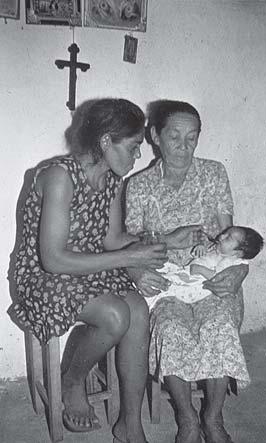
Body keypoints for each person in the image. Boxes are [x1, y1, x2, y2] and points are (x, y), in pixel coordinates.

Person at [7, 98, 201, 443]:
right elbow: (53, 259)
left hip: (89, 269)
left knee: (138, 309)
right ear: (105, 141)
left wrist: (165, 241)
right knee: (114, 315)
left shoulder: (111, 180)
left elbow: (112, 240)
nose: (138, 155)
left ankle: (130, 425)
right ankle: (72, 379)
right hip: (42, 276)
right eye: (134, 146)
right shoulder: (59, 177)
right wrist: (131, 259)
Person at [125, 100, 250, 443]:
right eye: (175, 136)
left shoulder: (214, 174)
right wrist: (143, 269)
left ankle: (213, 416)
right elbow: (131, 247)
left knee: (219, 325)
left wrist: (240, 272)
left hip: (212, 276)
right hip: (165, 281)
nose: (184, 146)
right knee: (171, 327)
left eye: (192, 138)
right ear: (155, 136)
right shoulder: (139, 186)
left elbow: (233, 235)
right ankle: (186, 416)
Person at [143, 225, 264, 309]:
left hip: (199, 283)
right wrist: (200, 248)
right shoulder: (219, 249)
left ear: (237, 253)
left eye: (228, 238)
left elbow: (218, 278)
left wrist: (200, 269)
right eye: (224, 233)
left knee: (172, 285)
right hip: (188, 271)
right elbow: (205, 256)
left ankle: (153, 296)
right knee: (167, 269)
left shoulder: (229, 261)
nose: (221, 236)